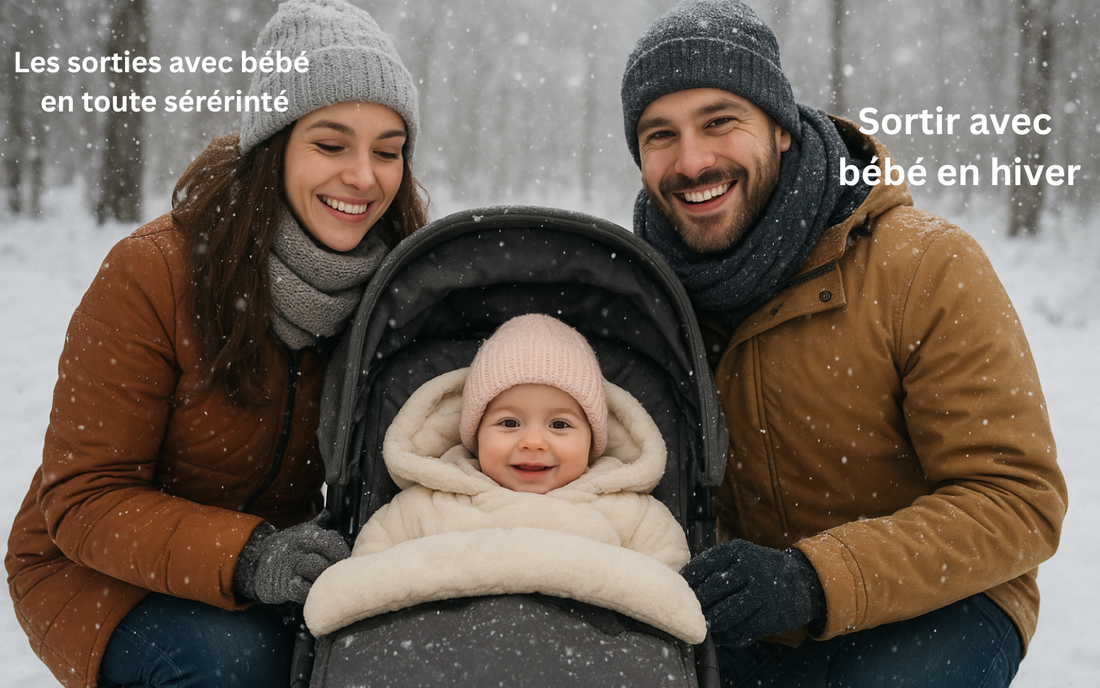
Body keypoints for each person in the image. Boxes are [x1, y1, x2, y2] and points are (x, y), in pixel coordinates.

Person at [618, 1, 1068, 686]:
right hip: (738, 615)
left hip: (936, 604)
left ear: (783, 129)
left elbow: (1015, 500)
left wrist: (815, 579)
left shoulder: (924, 266)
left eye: (720, 122)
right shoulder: (643, 298)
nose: (692, 160)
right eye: (660, 135)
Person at [5, 1, 428, 686]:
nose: (363, 176)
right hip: (97, 570)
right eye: (331, 144)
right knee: (238, 666)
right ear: (275, 146)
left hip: (275, 561)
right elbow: (83, 500)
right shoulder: (155, 273)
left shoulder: (395, 290)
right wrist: (250, 557)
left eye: (387, 151)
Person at [302, 314, 707, 644]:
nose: (532, 441)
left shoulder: (631, 514)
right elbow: (368, 577)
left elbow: (673, 594)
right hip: (439, 654)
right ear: (475, 435)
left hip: (589, 657)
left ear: (594, 442)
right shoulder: (426, 504)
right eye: (509, 422)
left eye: (560, 424)